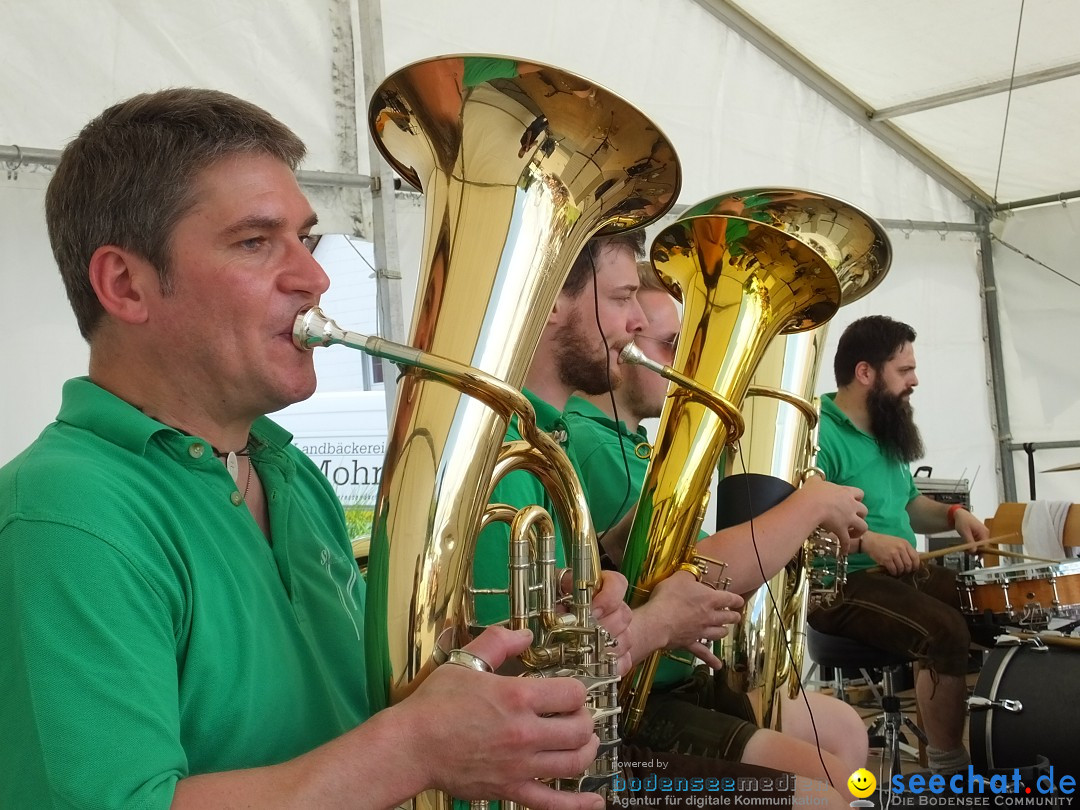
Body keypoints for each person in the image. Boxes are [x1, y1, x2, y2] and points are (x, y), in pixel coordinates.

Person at [0, 88, 629, 810]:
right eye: (255, 241)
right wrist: (416, 747)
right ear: (126, 284)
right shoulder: (64, 512)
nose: (316, 277)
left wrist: (521, 675)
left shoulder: (287, 471)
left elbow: (352, 721)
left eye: (305, 236)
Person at [473, 235, 854, 806]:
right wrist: (662, 618)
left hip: (607, 713)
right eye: (623, 298)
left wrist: (626, 574)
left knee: (843, 756)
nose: (632, 323)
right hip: (584, 739)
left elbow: (573, 619)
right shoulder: (532, 450)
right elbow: (519, 678)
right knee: (829, 794)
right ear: (552, 300)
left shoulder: (549, 439)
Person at [562, 262, 870, 790]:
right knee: (831, 783)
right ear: (628, 342)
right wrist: (811, 504)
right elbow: (713, 571)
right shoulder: (593, 445)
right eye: (672, 345)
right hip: (643, 698)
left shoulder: (634, 448)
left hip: (677, 678)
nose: (688, 365)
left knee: (841, 730)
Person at [807, 314, 990, 776]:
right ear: (866, 372)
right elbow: (805, 523)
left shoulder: (884, 424)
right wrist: (868, 539)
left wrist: (953, 514)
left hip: (899, 572)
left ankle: (1008, 735)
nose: (915, 380)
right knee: (944, 630)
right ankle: (949, 771)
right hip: (843, 583)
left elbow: (908, 503)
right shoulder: (816, 432)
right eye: (904, 371)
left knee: (990, 606)